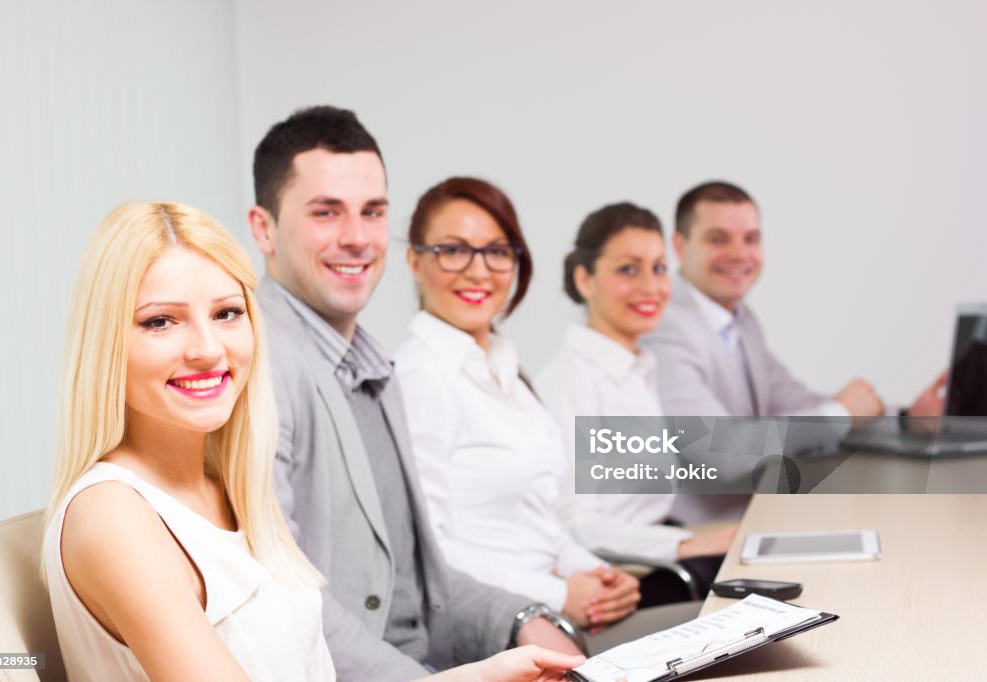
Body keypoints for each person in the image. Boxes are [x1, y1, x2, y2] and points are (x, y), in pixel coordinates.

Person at [42, 200, 584, 682]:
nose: (208, 349)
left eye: (227, 313)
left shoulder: (230, 486)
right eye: (161, 322)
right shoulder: (113, 516)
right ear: (108, 342)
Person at [248, 107, 583, 680]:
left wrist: (530, 612)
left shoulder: (389, 366)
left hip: (472, 639)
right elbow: (287, 601)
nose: (356, 237)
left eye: (372, 212)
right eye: (326, 212)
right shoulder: (265, 364)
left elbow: (426, 576)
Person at [395, 177, 668, 647]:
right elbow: (433, 553)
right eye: (453, 250)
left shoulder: (506, 369)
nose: (479, 271)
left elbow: (540, 523)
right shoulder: (422, 376)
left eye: (498, 251)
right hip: (501, 628)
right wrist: (560, 593)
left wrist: (597, 575)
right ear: (415, 261)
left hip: (558, 611)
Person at [649, 181, 944, 521]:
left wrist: (908, 420)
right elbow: (719, 449)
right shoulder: (663, 326)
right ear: (679, 245)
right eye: (718, 239)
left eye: (751, 239)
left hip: (755, 518)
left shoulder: (740, 321)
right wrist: (840, 415)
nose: (739, 254)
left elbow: (797, 404)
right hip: (696, 539)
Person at [536, 202, 736, 604]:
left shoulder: (636, 368)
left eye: (659, 268)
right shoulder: (571, 380)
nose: (651, 287)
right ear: (585, 279)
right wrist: (683, 546)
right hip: (624, 576)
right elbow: (574, 523)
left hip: (656, 546)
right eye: (629, 269)